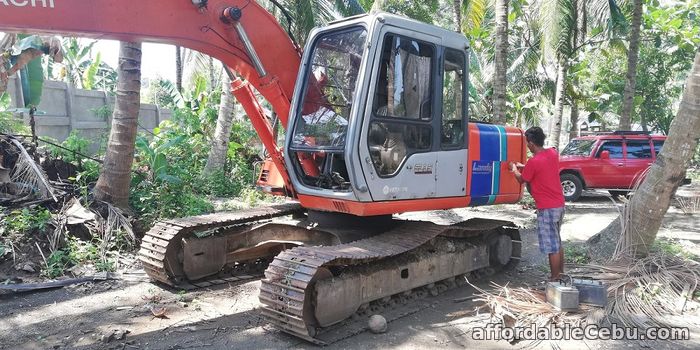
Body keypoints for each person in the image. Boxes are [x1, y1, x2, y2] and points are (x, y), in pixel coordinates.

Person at [509, 127, 566, 281]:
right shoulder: (553, 154)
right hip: (559, 204)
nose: (527, 146)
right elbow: (539, 168)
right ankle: (561, 274)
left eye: (527, 143)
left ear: (532, 143)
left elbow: (522, 179)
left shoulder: (534, 162)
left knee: (551, 246)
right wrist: (524, 166)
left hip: (547, 208)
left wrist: (514, 168)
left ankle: (554, 279)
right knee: (557, 242)